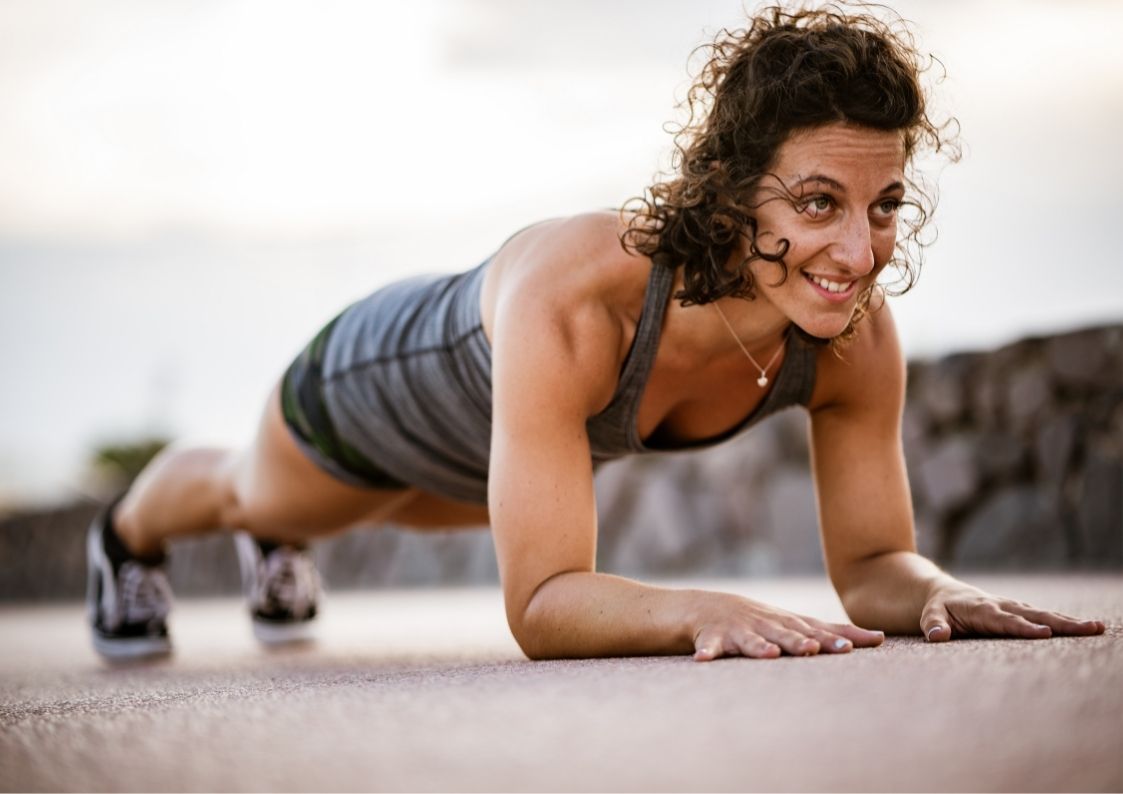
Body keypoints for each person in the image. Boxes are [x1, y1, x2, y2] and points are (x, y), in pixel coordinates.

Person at [87, 3, 1106, 661]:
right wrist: (697, 608)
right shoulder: (579, 298)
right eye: (815, 202)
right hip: (379, 377)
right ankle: (125, 534)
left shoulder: (851, 343)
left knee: (392, 509)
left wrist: (934, 589)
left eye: (882, 203)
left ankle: (293, 532)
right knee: (261, 490)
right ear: (729, 190)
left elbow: (878, 557)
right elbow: (541, 603)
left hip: (489, 441)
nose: (857, 249)